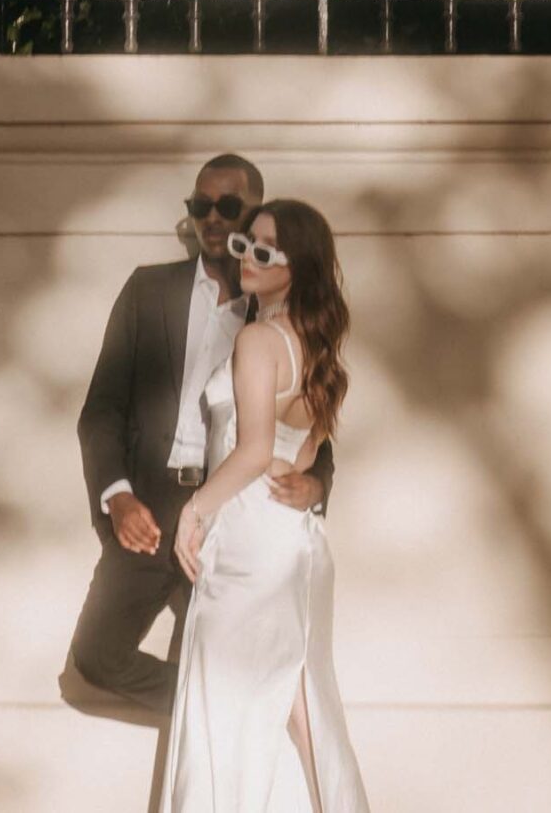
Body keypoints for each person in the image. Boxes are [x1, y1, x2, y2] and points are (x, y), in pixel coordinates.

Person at [64, 155, 334, 726]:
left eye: (228, 207)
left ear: (255, 215)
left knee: (219, 654)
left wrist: (314, 483)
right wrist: (117, 495)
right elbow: (102, 409)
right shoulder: (147, 290)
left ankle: (234, 721)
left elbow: (309, 420)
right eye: (200, 206)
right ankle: (243, 707)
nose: (212, 218)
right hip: (150, 513)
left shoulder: (273, 311)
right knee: (96, 657)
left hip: (231, 518)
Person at [159, 198, 369, 813]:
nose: (247, 256)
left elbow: (252, 451)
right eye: (245, 244)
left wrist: (193, 511)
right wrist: (285, 471)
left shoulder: (258, 340)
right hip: (294, 540)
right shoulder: (319, 350)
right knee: (305, 710)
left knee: (228, 706)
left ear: (296, 265)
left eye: (265, 249)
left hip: (251, 546)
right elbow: (295, 461)